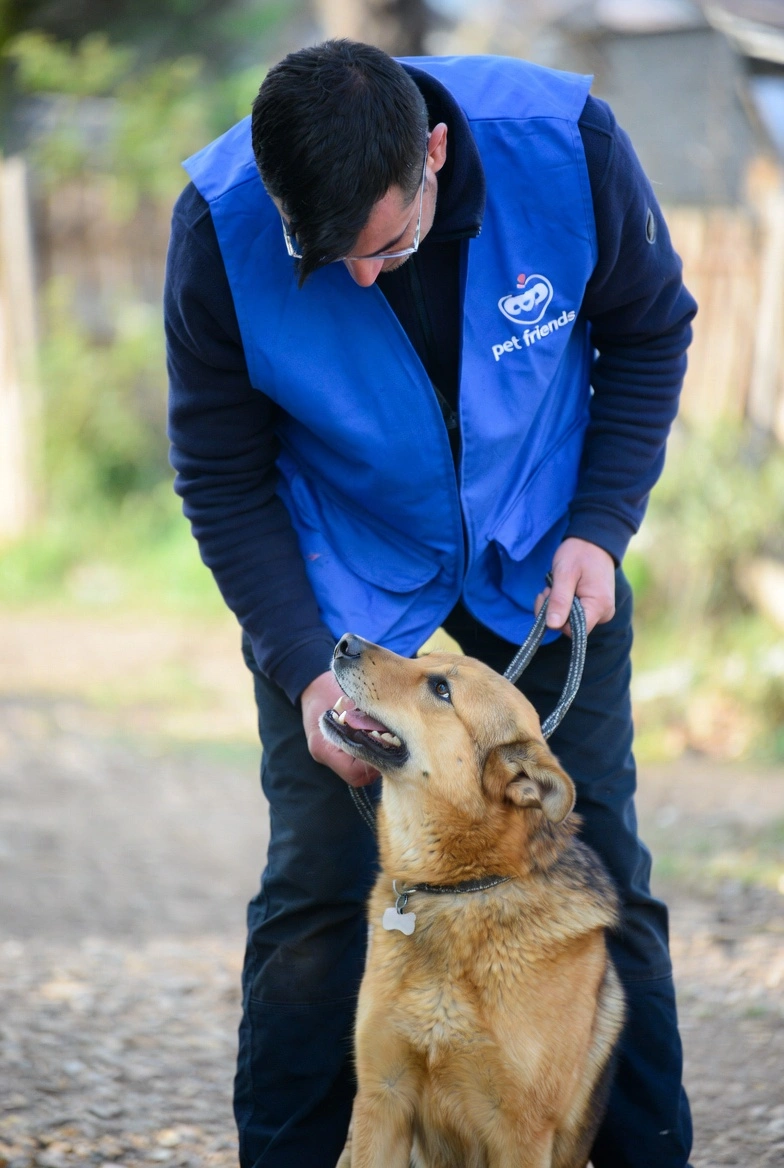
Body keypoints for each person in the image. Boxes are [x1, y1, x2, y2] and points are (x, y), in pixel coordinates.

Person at [165, 39, 697, 1168]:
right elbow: (220, 471)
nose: (364, 277)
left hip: (545, 564)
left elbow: (650, 329)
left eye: (388, 244)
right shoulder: (217, 228)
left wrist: (600, 525)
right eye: (329, 261)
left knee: (602, 863)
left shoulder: (569, 148)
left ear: (437, 155)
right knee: (314, 887)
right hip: (348, 591)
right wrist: (305, 662)